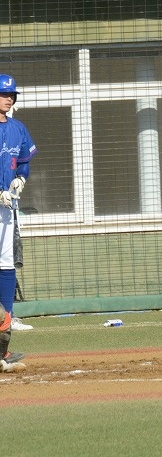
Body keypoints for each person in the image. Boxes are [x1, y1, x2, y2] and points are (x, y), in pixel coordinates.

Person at [0, 74, 37, 372]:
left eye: (12, 94)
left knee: (6, 265)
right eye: (4, 94)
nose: (9, 98)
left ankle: (4, 337)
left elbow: (23, 161)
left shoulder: (18, 128)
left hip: (6, 207)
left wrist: (21, 179)